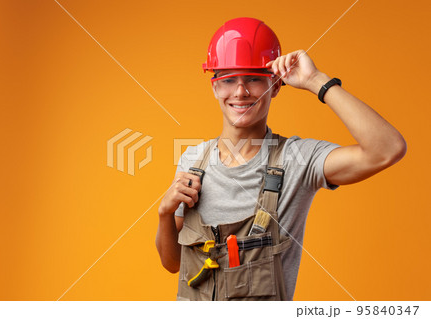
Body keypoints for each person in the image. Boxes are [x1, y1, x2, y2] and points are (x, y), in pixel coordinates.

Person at [155, 17, 406, 301]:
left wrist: (316, 81)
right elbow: (172, 264)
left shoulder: (299, 160)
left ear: (275, 86)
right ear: (214, 87)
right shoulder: (193, 160)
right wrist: (165, 214)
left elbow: (387, 149)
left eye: (254, 79)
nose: (240, 92)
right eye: (228, 80)